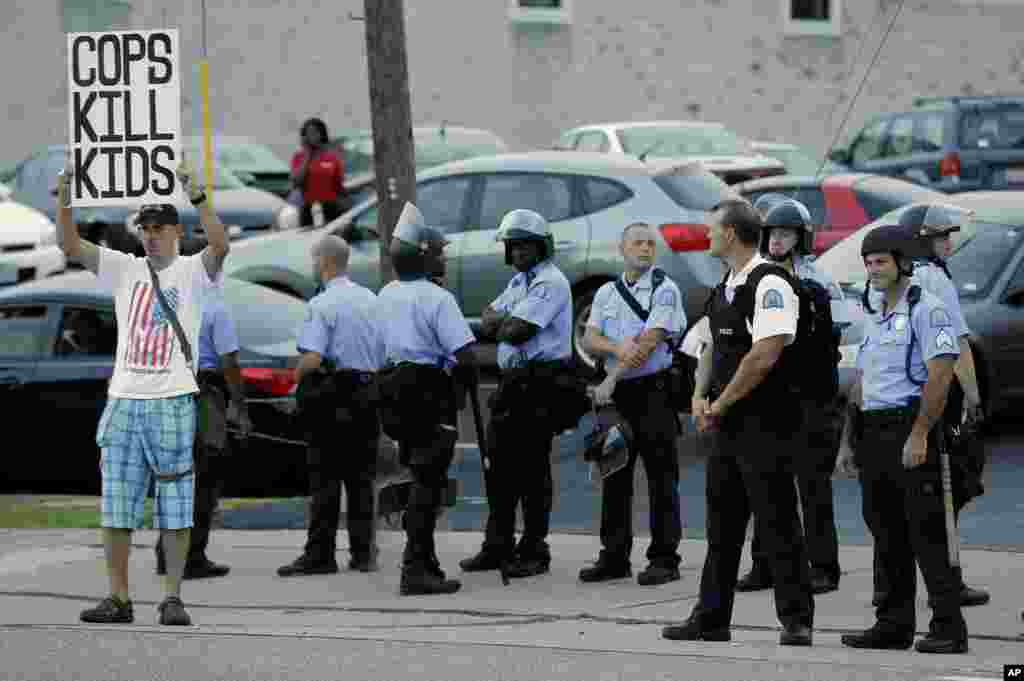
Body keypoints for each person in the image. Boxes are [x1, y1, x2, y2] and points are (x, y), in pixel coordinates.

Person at [56, 155, 230, 627]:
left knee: (174, 507)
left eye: (159, 227)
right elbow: (69, 244)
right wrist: (66, 196)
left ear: (175, 231)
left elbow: (220, 244)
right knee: (116, 504)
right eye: (145, 228)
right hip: (125, 400)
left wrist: (198, 196)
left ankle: (172, 596)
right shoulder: (122, 268)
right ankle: (118, 597)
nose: (151, 235)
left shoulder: (193, 271)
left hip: (172, 400)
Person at [661, 199, 814, 647]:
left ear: (730, 233)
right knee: (722, 526)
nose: (706, 235)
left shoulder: (771, 283)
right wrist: (697, 396)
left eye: (712, 228)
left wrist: (722, 403)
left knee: (778, 523)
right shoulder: (724, 285)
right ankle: (711, 618)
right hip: (727, 423)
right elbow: (710, 347)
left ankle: (797, 620)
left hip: (765, 423)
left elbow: (766, 352)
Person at [836, 224, 968, 654]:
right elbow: (863, 382)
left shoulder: (926, 310)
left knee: (927, 532)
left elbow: (941, 375)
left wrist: (919, 434)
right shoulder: (872, 311)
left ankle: (948, 628)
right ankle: (892, 625)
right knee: (886, 532)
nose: (874, 270)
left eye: (882, 262)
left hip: (910, 426)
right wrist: (847, 442)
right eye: (869, 263)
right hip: (873, 429)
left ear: (903, 264)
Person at [868, 203, 989, 608]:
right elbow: (959, 347)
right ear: (920, 241)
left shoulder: (883, 285)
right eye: (940, 236)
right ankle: (947, 587)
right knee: (942, 495)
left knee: (888, 513)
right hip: (935, 397)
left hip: (885, 408)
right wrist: (972, 400)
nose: (948, 243)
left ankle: (893, 599)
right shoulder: (934, 280)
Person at [734, 195, 849, 595]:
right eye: (772, 234)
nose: (778, 241)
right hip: (771, 396)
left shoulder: (821, 279)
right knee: (769, 486)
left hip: (813, 397)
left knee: (813, 486)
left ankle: (824, 567)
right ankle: (766, 564)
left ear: (802, 238)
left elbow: (846, 327)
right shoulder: (757, 277)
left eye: (786, 234)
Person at [459, 209, 573, 579]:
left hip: (539, 383)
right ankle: (498, 544)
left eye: (525, 247)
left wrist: (499, 324)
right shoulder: (520, 282)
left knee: (532, 469)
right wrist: (498, 323)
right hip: (513, 383)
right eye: (513, 247)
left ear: (542, 248)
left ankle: (535, 549)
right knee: (500, 466)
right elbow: (491, 315)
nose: (518, 254)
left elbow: (515, 330)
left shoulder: (549, 283)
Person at [376, 202, 479, 596]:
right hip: (426, 391)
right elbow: (465, 355)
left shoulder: (386, 293)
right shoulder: (437, 299)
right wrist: (461, 384)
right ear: (426, 258)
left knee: (421, 476)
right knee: (428, 482)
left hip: (393, 390)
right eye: (440, 254)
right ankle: (415, 567)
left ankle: (426, 559)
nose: (444, 261)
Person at [577, 222, 685, 586]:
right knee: (615, 474)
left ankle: (664, 558)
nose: (645, 249)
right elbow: (590, 338)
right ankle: (614, 556)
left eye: (650, 244)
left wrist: (610, 377)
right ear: (621, 249)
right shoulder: (607, 292)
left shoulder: (664, 290)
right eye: (637, 243)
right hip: (618, 399)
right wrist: (614, 347)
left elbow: (648, 343)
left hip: (652, 392)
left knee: (661, 477)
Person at [277, 235, 385, 577]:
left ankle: (320, 554)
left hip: (334, 395)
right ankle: (363, 552)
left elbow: (312, 357)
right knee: (361, 480)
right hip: (368, 394)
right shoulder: (371, 300)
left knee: (325, 479)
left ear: (324, 262)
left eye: (313, 260)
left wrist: (294, 383)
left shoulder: (322, 305)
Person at [154, 288, 253, 580]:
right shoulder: (214, 307)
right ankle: (192, 557)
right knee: (205, 477)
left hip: (167, 392)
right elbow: (229, 362)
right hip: (204, 394)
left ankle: (166, 554)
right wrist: (240, 406)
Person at [290, 117, 346, 228]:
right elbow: (296, 182)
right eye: (308, 133)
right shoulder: (299, 157)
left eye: (315, 132)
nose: (312, 136)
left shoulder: (332, 158)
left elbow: (339, 187)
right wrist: (307, 155)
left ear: (322, 134)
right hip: (309, 208)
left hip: (330, 207)